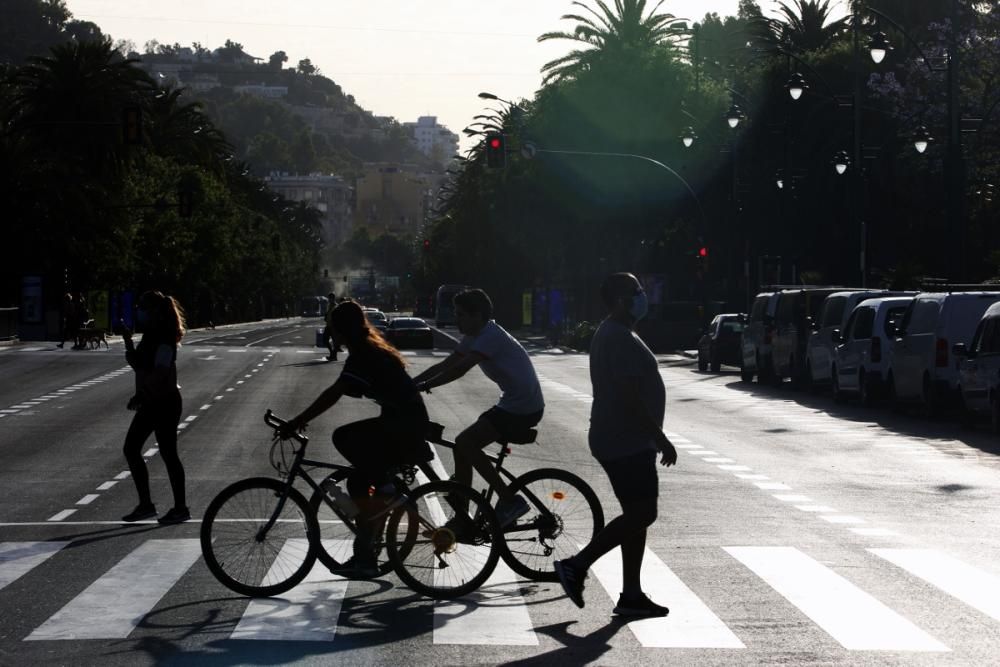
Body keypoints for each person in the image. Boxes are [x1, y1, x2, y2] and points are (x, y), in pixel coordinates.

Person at [553, 272, 677, 618]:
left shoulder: (618, 332)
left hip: (625, 438)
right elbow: (629, 396)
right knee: (643, 513)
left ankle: (632, 594)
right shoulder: (618, 336)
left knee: (636, 516)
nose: (642, 296)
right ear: (622, 300)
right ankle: (577, 565)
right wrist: (660, 437)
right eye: (636, 291)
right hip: (625, 439)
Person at [282, 300, 431, 575]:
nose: (329, 333)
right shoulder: (366, 349)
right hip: (402, 421)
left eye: (331, 328)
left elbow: (335, 392)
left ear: (342, 329)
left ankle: (385, 491)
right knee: (358, 481)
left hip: (405, 425)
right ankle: (368, 547)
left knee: (344, 436)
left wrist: (297, 421)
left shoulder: (363, 353)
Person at [412, 288, 544, 527]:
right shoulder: (476, 335)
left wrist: (426, 386)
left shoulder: (489, 336)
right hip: (513, 403)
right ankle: (462, 514)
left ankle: (510, 500)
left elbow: (460, 369)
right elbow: (447, 363)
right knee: (462, 448)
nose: (456, 319)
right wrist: (411, 384)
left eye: (461, 314)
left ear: (478, 315)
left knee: (465, 442)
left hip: (523, 406)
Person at [121, 290, 190, 524]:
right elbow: (141, 367)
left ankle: (178, 507)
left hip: (164, 401)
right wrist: (128, 342)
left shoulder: (164, 337)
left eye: (142, 308)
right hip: (153, 400)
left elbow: (160, 372)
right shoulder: (151, 335)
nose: (139, 312)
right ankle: (147, 505)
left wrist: (143, 394)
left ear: (153, 312)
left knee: (166, 453)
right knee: (134, 449)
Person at [323, 292, 341, 362]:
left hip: (334, 327)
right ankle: (332, 354)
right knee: (325, 340)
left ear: (333, 298)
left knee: (335, 342)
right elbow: (328, 314)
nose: (329, 300)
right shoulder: (329, 305)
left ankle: (333, 356)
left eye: (330, 298)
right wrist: (326, 316)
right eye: (329, 298)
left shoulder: (336, 306)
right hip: (328, 326)